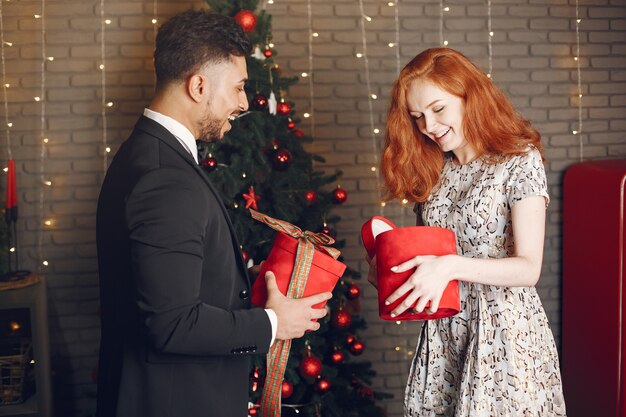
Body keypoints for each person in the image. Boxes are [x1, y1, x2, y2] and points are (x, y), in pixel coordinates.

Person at [95, 10, 331, 417]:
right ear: (199, 85)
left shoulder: (148, 154)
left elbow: (165, 285)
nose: (243, 103)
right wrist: (274, 324)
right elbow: (172, 323)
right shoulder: (165, 178)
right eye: (238, 87)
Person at [368, 47, 566, 416]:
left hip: (504, 334)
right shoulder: (435, 169)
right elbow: (430, 257)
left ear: (469, 95)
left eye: (438, 109)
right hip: (446, 334)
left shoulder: (518, 159)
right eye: (417, 117)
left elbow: (528, 268)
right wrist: (392, 270)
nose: (429, 126)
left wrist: (448, 266)